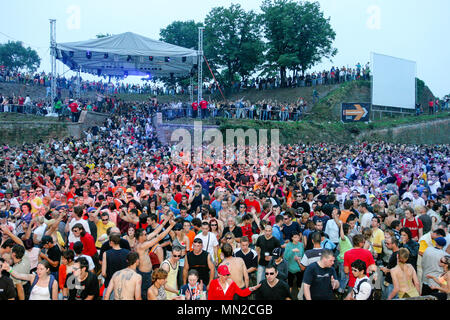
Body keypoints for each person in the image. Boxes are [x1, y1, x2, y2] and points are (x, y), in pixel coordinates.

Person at [101, 233, 130, 298]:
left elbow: (103, 273)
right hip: (124, 284)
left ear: (111, 242)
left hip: (110, 284)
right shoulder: (128, 252)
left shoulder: (106, 253)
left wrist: (107, 276)